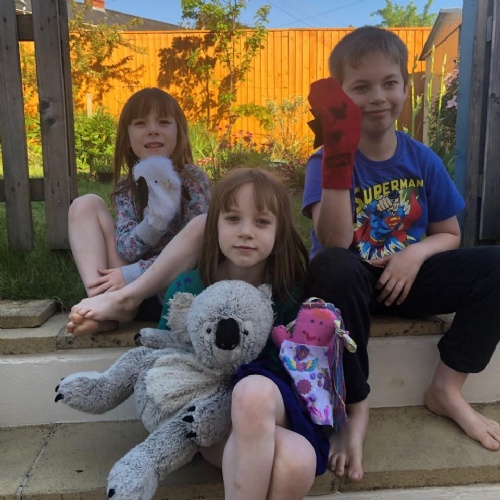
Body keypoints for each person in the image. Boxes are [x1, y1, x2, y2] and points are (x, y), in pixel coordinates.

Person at [302, 26, 500, 483]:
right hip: (347, 290)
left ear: (406, 89)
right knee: (333, 266)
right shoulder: (324, 160)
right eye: (361, 87)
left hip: (405, 280)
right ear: (341, 97)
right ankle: (354, 407)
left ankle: (446, 389)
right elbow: (334, 241)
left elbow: (449, 234)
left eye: (389, 83)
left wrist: (414, 256)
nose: (377, 97)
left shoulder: (422, 159)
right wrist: (338, 153)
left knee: (497, 266)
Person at [158, 167, 329, 499]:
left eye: (262, 222)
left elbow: (301, 371)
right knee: (295, 459)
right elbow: (165, 364)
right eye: (233, 219)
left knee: (257, 398)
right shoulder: (188, 289)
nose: (246, 232)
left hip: (272, 407)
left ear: (279, 231)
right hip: (213, 419)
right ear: (215, 225)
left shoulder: (290, 293)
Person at [67, 88, 210, 336]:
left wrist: (133, 273)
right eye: (141, 123)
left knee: (202, 225)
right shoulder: (127, 188)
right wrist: (155, 221)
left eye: (163, 122)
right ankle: (103, 303)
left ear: (179, 132)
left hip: (172, 289)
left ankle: (115, 307)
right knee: (84, 205)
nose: (152, 130)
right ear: (127, 137)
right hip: (121, 286)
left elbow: (197, 251)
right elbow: (126, 249)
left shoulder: (193, 180)